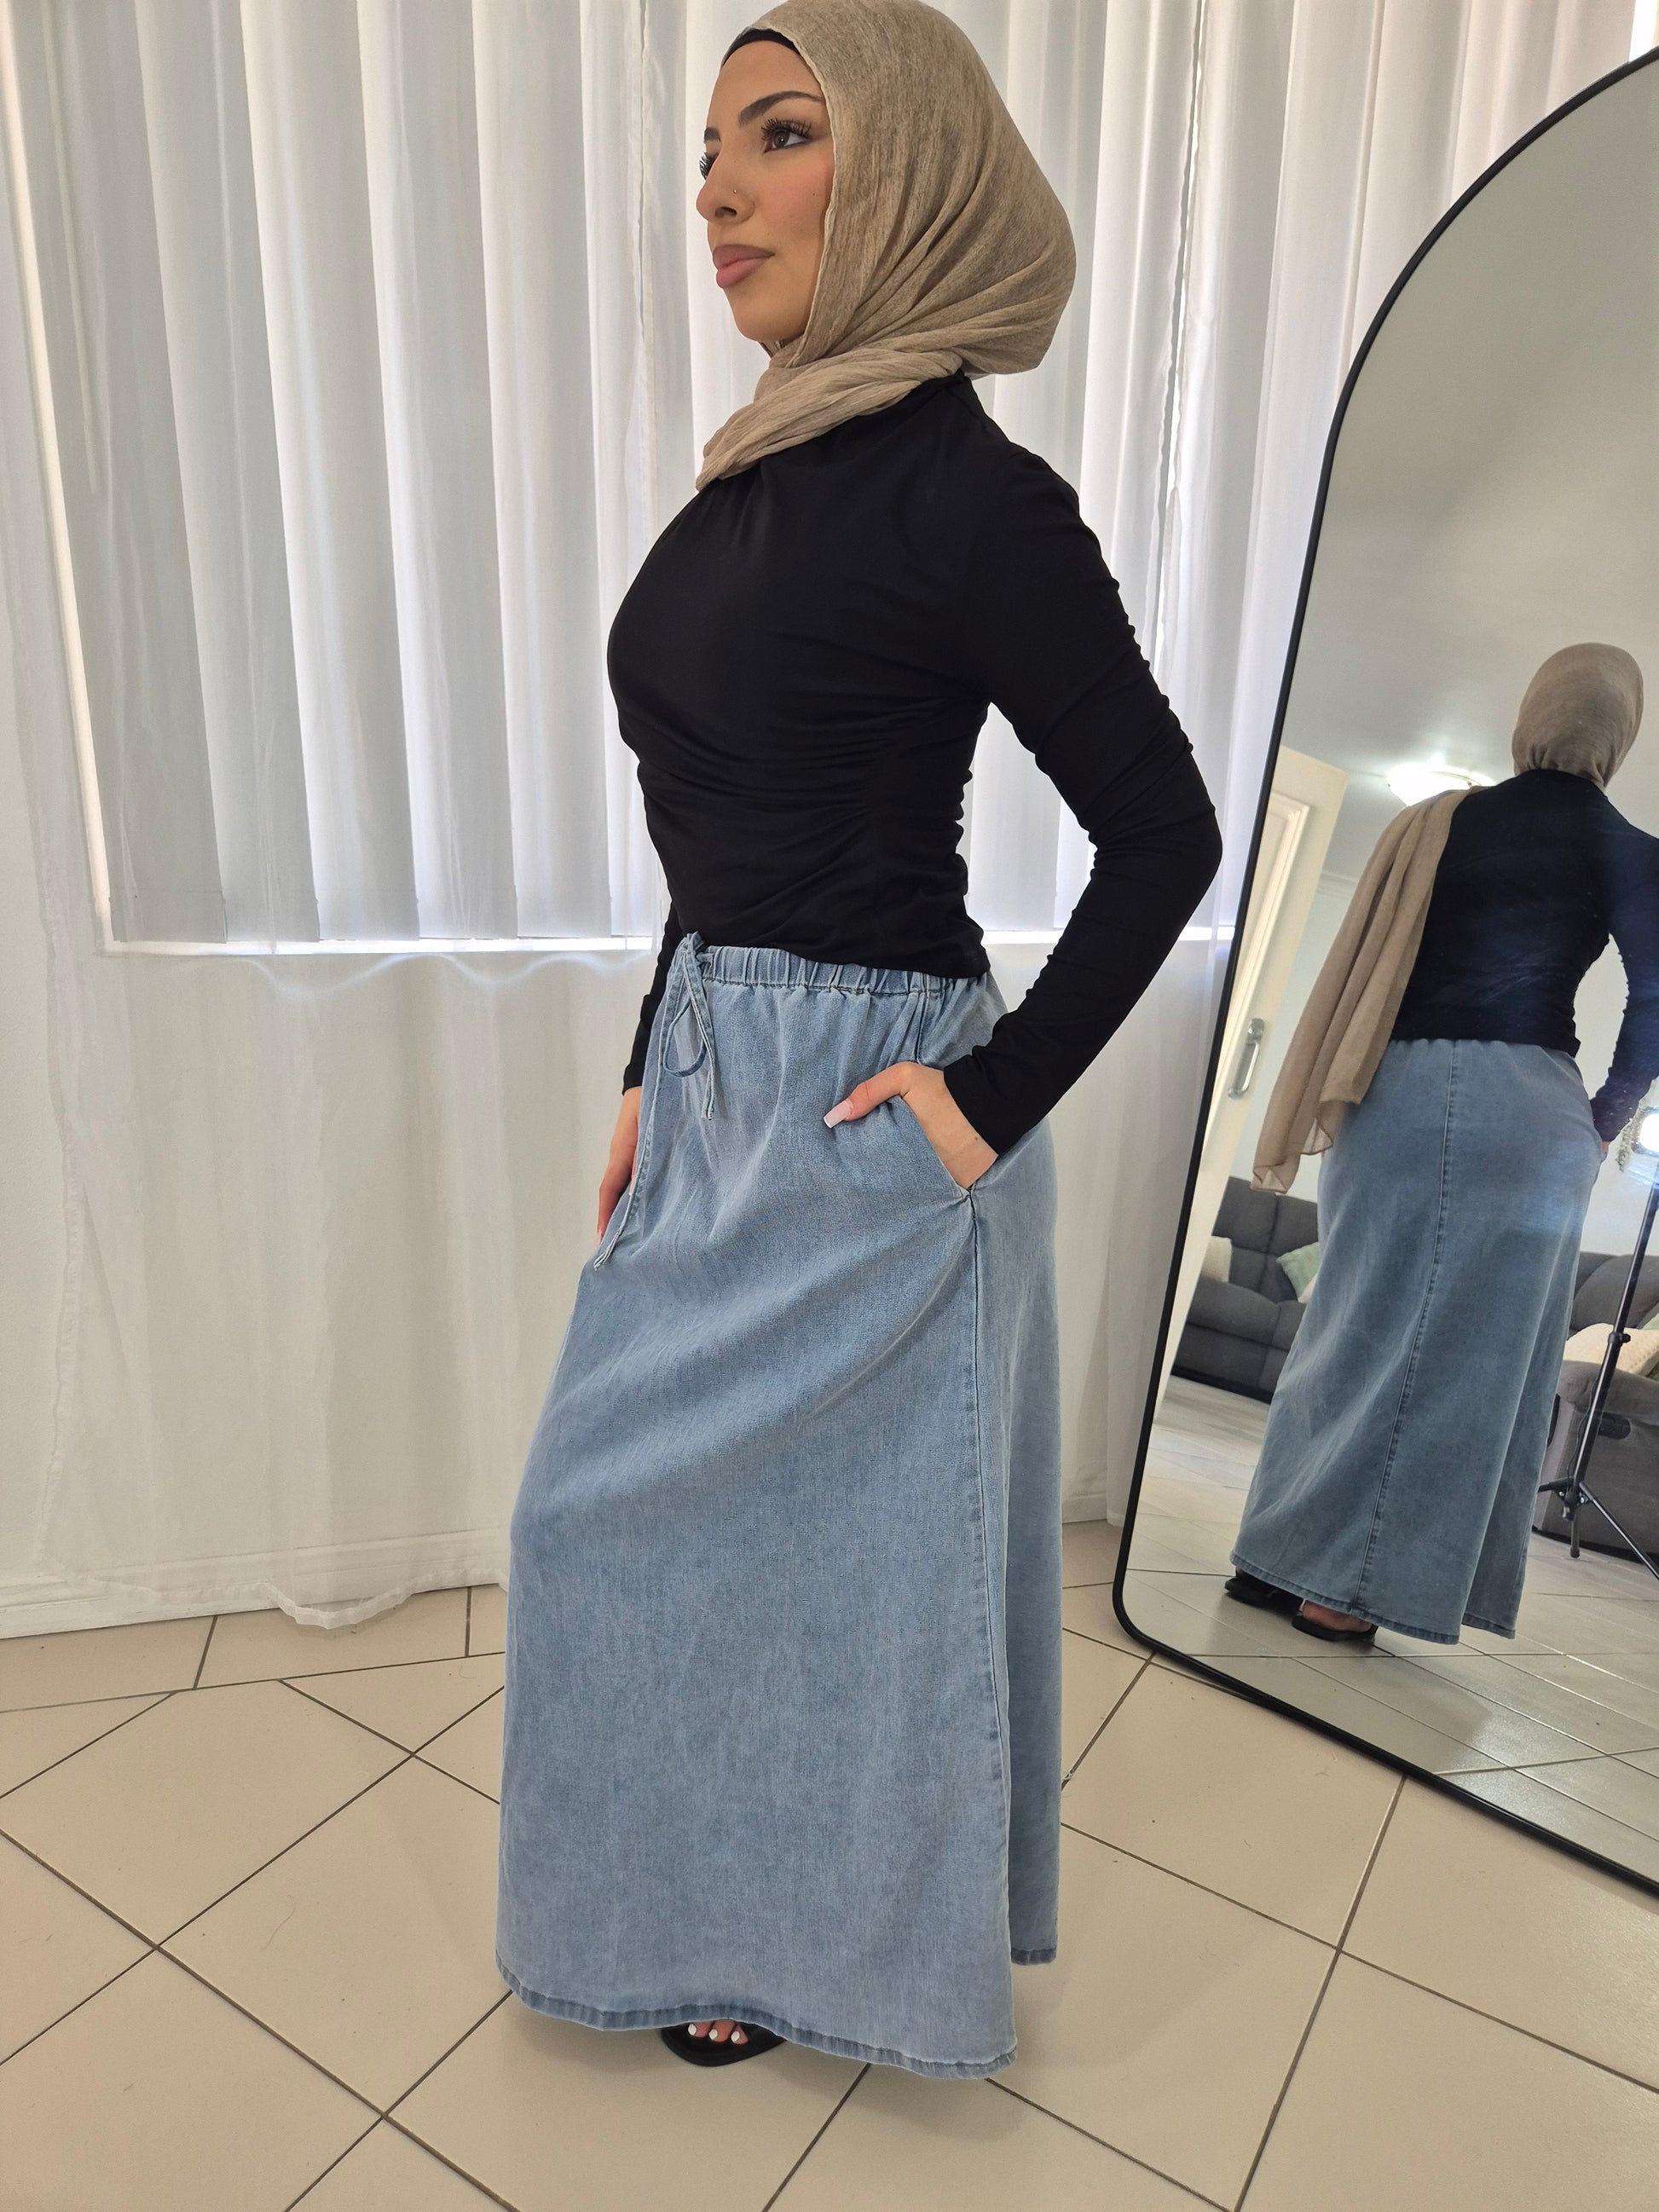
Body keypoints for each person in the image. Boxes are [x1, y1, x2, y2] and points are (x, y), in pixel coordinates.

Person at [496, 0, 1221, 2078]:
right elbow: (710, 833)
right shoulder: (751, 472)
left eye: (781, 134)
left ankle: (800, 1940)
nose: (716, 192)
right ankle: (711, 1906)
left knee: (831, 1566)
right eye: (708, 149)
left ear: (903, 174)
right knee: (615, 1517)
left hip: (871, 1101)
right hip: (718, 1070)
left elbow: (1166, 835)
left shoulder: (978, 503)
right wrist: (649, 1060)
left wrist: (981, 1110)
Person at [1228, 641, 1653, 1646]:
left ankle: (1278, 1557)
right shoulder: (1629, 850)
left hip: (1384, 1087)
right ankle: (1342, 1589)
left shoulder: (1438, 820)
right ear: (1619, 734)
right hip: (1523, 1107)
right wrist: (1604, 1115)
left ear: (1529, 713)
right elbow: (1656, 1002)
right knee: (1456, 1355)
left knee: (1348, 1323)